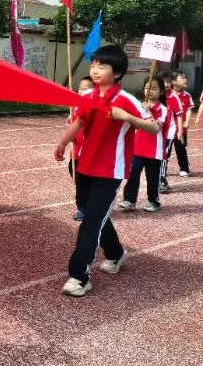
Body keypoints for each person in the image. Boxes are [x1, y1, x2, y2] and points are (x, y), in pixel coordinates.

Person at [54, 45, 158, 297]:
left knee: (90, 222)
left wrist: (127, 117)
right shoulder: (88, 97)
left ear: (118, 73)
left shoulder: (126, 100)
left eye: (102, 65)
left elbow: (153, 127)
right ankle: (117, 253)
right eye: (93, 64)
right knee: (91, 212)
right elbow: (78, 122)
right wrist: (63, 141)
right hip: (84, 166)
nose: (95, 69)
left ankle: (79, 276)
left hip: (110, 171)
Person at [120, 75, 168, 213]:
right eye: (147, 87)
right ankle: (130, 200)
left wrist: (148, 111)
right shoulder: (138, 106)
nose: (149, 91)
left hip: (154, 150)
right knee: (133, 173)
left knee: (152, 177)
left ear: (162, 92)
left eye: (154, 88)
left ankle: (153, 201)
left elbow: (156, 128)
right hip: (137, 147)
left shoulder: (163, 109)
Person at [68, 76, 94, 221]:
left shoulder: (95, 108)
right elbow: (70, 126)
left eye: (88, 88)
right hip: (76, 153)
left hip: (89, 153)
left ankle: (82, 208)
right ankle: (86, 202)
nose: (84, 91)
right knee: (77, 177)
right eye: (81, 88)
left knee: (85, 182)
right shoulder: (74, 107)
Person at [159, 71, 183, 193]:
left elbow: (179, 115)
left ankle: (162, 179)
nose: (166, 84)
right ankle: (158, 178)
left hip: (169, 132)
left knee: (164, 154)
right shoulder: (154, 96)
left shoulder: (174, 98)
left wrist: (179, 131)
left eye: (168, 82)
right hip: (155, 131)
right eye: (163, 82)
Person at [171, 70, 194, 176]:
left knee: (181, 149)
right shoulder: (167, 95)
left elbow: (189, 109)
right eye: (183, 78)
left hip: (181, 128)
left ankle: (184, 168)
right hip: (169, 129)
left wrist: (187, 121)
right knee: (166, 150)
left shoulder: (186, 95)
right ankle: (162, 168)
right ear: (173, 82)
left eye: (185, 77)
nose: (186, 79)